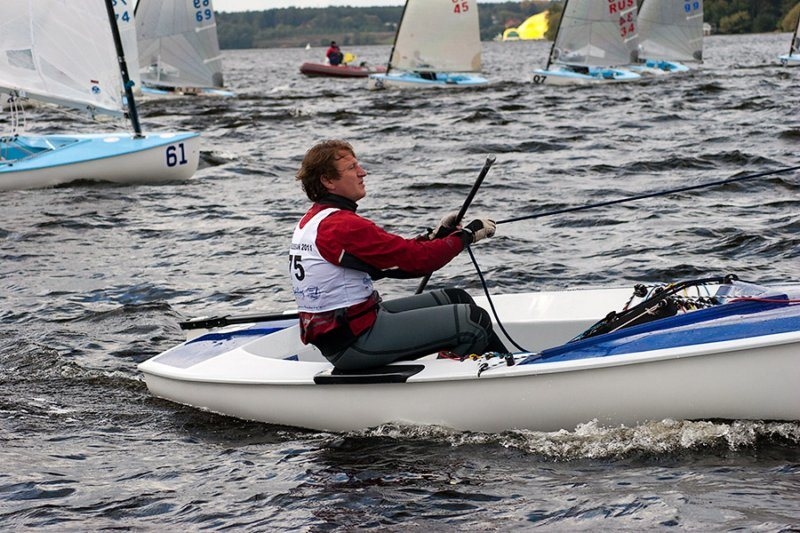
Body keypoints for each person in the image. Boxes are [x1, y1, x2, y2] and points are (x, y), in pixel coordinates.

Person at [290, 139, 508, 371]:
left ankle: (503, 366)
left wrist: (437, 236)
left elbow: (392, 258)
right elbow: (417, 262)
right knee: (474, 322)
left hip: (352, 327)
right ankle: (473, 380)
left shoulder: (315, 220)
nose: (362, 172)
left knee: (457, 298)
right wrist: (465, 236)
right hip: (355, 341)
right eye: (352, 167)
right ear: (328, 180)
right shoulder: (340, 226)